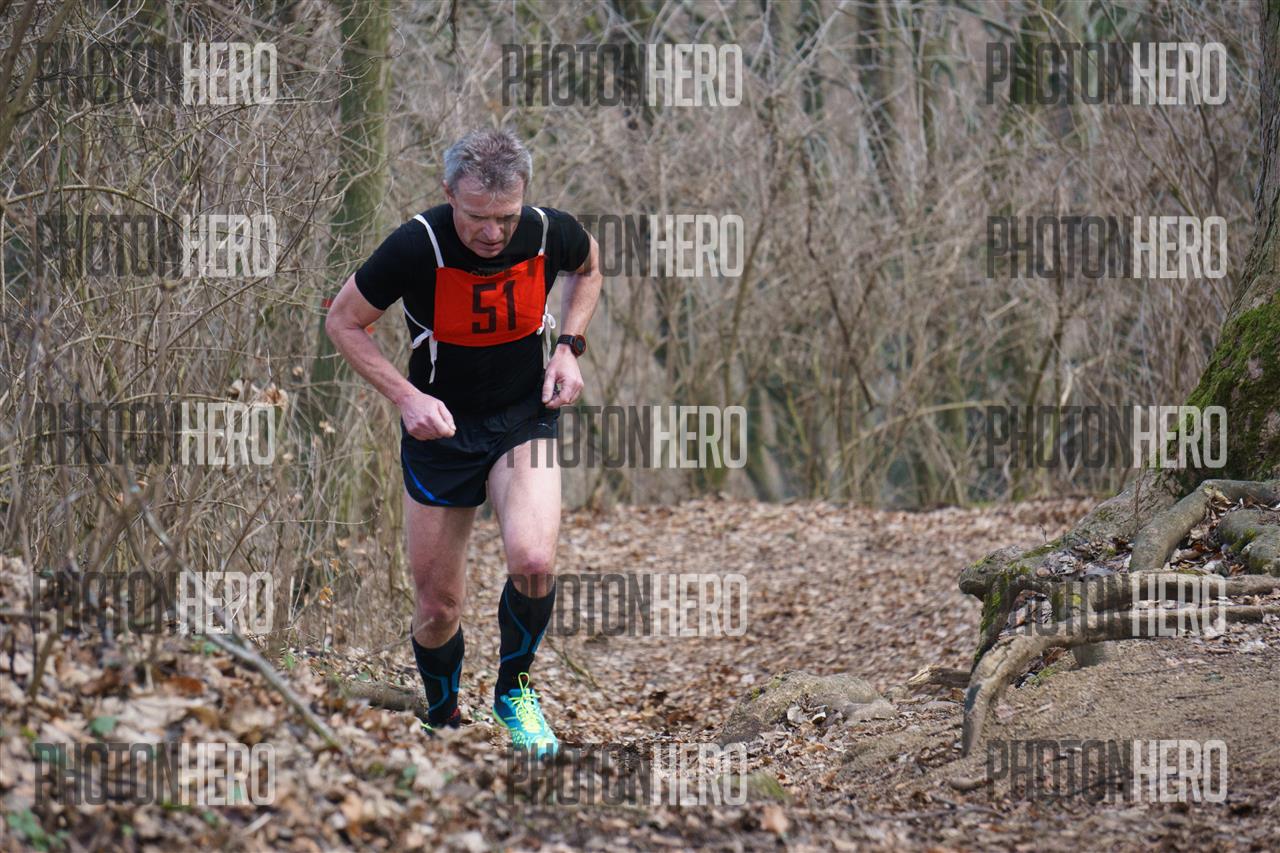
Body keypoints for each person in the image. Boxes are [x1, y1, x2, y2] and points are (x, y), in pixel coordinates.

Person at [324, 128, 601, 756]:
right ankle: (444, 717)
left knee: (533, 562)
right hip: (440, 430)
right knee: (437, 607)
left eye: (506, 217)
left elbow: (589, 268)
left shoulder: (547, 230)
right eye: (478, 217)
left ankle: (514, 693)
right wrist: (406, 398)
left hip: (521, 417)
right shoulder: (415, 244)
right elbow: (343, 321)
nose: (493, 234)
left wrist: (568, 347)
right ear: (448, 192)